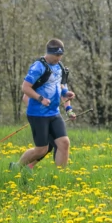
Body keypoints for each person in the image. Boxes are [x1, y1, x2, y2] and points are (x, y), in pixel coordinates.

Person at [11, 39, 77, 169]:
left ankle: (60, 178)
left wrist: (68, 101)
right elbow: (25, 88)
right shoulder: (38, 67)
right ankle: (17, 167)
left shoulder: (60, 67)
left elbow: (62, 87)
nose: (59, 58)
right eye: (56, 55)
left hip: (54, 113)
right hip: (38, 114)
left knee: (64, 143)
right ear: (49, 52)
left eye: (61, 55)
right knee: (42, 149)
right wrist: (40, 98)